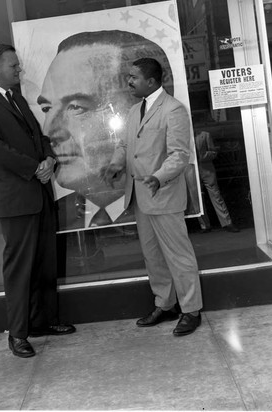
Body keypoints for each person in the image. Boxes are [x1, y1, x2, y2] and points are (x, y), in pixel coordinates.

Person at [0, 44, 75, 359]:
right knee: (20, 269)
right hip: (16, 201)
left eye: (18, 66)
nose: (19, 71)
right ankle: (18, 334)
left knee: (45, 262)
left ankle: (44, 321)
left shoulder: (15, 99)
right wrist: (34, 168)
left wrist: (49, 159)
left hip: (39, 193)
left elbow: (38, 137)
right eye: (14, 66)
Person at [102, 57, 203, 336]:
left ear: (151, 81)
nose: (129, 81)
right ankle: (166, 304)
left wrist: (158, 177)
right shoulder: (136, 110)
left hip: (164, 194)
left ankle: (192, 310)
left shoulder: (173, 110)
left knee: (179, 256)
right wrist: (115, 163)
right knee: (153, 256)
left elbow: (180, 155)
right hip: (140, 196)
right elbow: (126, 145)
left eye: (133, 77)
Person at [37, 30, 174, 231]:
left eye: (76, 107)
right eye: (47, 109)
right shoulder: (55, 218)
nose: (49, 132)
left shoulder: (170, 204)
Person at [194, 129, 239, 233]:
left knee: (216, 196)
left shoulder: (205, 135)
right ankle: (204, 225)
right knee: (196, 198)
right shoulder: (181, 135)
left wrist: (202, 156)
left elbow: (214, 152)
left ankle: (227, 223)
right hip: (191, 171)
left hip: (207, 170)